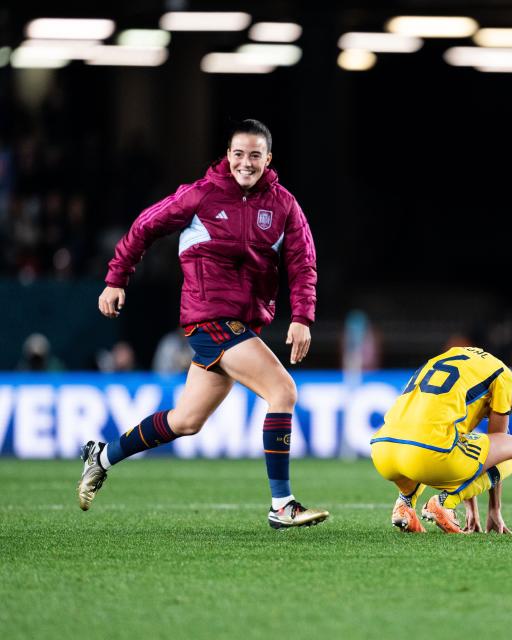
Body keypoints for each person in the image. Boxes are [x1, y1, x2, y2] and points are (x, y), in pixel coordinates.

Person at [78, 119, 329, 529]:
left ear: (268, 159)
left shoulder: (284, 205)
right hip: (209, 316)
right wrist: (116, 278)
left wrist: (302, 316)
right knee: (282, 390)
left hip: (242, 324)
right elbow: (145, 226)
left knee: (186, 421)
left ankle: (101, 456)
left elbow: (303, 264)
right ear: (227, 155)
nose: (245, 163)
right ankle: (282, 504)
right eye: (238, 154)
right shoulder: (202, 194)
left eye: (254, 155)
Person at [370, 346, 512, 534]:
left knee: (436, 436)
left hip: (383, 452)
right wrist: (494, 509)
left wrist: (472, 509)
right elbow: (498, 444)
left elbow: (463, 440)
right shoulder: (503, 376)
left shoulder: (454, 356)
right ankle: (445, 502)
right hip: (427, 456)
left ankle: (405, 504)